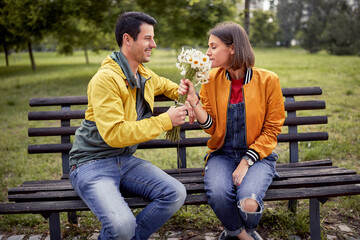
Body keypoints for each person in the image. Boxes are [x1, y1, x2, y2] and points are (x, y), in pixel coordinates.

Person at [69, 11, 192, 240]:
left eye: (153, 38)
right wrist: (166, 120)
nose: (153, 44)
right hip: (91, 164)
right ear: (128, 39)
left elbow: (167, 86)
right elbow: (114, 134)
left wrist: (187, 95)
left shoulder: (142, 73)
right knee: (122, 225)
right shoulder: (106, 79)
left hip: (124, 161)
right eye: (147, 38)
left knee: (175, 193)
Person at [178, 22, 285, 240]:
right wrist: (194, 102)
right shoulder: (210, 79)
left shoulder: (268, 80)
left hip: (258, 157)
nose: (208, 52)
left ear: (233, 48)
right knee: (218, 193)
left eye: (214, 46)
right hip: (222, 154)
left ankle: (233, 231)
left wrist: (246, 162)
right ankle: (243, 235)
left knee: (248, 202)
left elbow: (272, 129)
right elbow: (211, 128)